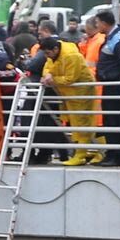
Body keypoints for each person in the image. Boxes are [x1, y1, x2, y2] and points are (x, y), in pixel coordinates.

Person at [28, 35, 101, 165]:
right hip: (69, 93)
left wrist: (52, 80)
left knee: (82, 122)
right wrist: (47, 75)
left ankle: (82, 154)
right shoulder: (54, 55)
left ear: (55, 49)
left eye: (48, 53)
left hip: (81, 92)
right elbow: (48, 67)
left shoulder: (71, 56)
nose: (47, 56)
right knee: (76, 122)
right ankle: (87, 150)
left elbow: (70, 78)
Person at [92, 8, 120, 167]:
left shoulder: (119, 39)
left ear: (104, 23)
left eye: (97, 23)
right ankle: (112, 153)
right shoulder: (111, 37)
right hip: (110, 85)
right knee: (109, 120)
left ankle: (118, 155)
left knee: (115, 120)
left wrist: (113, 77)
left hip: (116, 87)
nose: (96, 25)